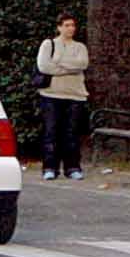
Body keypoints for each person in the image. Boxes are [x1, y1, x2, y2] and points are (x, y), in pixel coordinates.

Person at [37, 12, 89, 181]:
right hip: (51, 94)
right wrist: (68, 68)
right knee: (51, 132)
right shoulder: (49, 44)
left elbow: (82, 64)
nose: (70, 29)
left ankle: (73, 167)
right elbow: (44, 66)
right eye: (66, 25)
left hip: (75, 96)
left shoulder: (80, 47)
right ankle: (49, 167)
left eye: (72, 25)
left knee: (71, 133)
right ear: (59, 27)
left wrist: (59, 64)